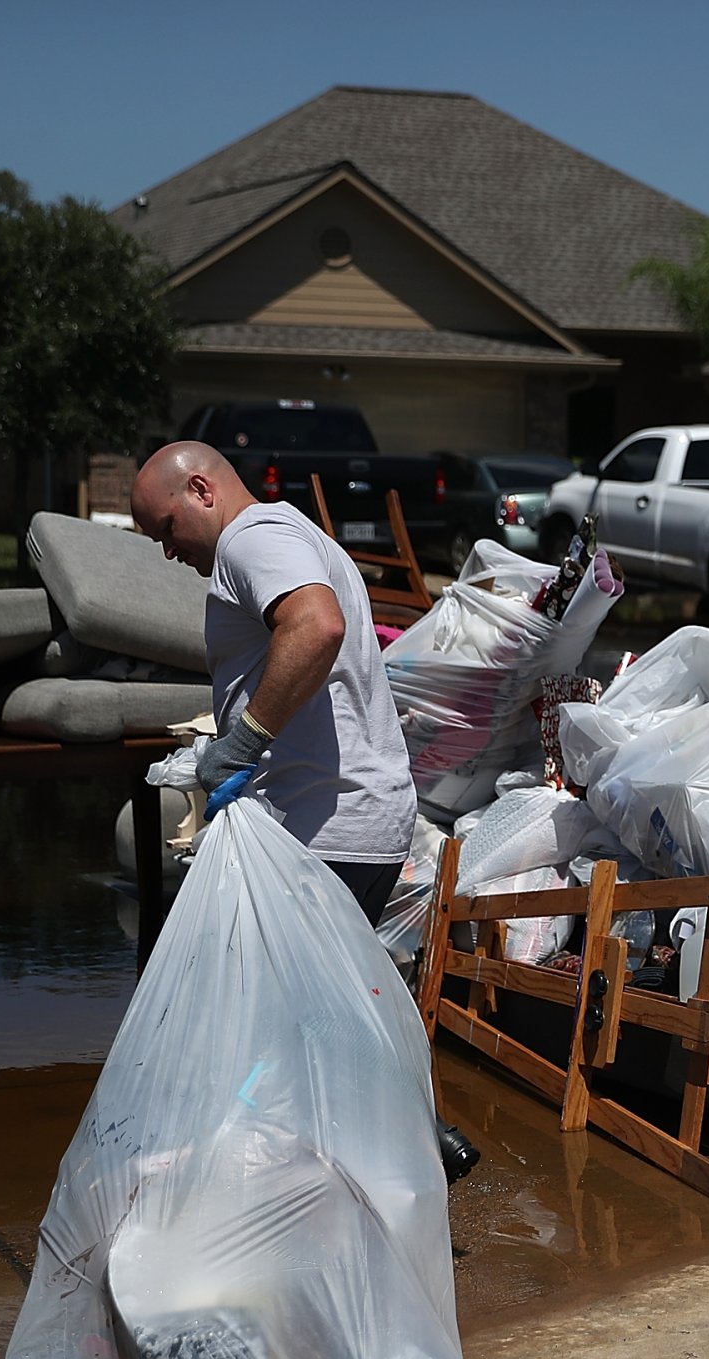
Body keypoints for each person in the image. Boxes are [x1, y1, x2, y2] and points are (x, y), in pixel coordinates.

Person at [130, 441, 478, 1179]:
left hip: (327, 827)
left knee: (261, 1024)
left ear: (200, 490)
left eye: (165, 529)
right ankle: (409, 1142)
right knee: (309, 1017)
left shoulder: (250, 539)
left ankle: (395, 1151)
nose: (166, 551)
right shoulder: (289, 534)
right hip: (347, 821)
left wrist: (243, 741)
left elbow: (316, 626)